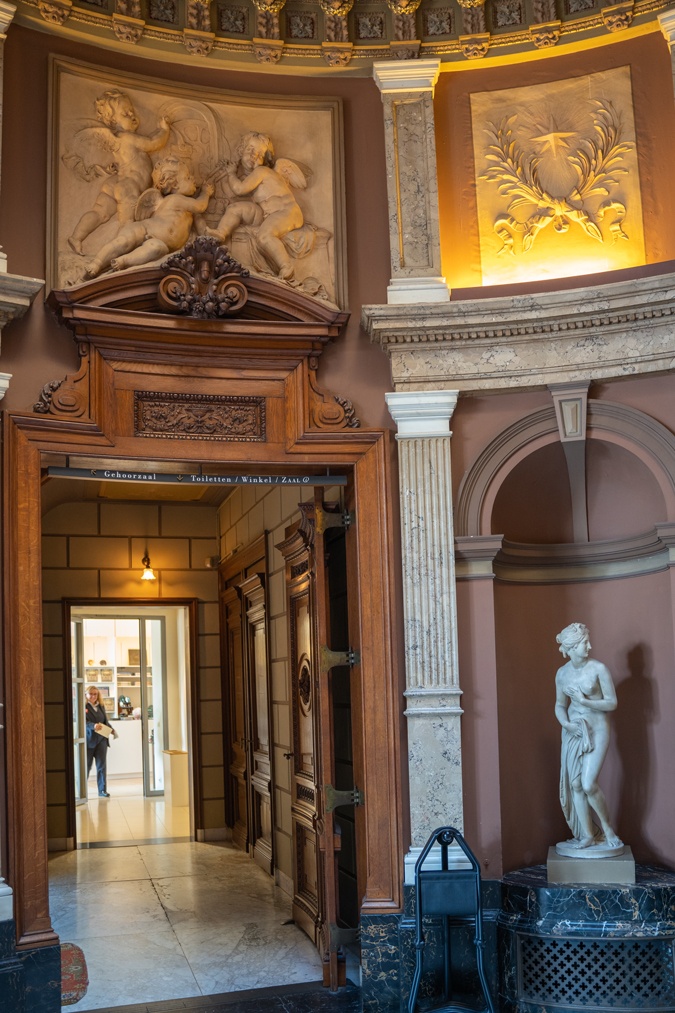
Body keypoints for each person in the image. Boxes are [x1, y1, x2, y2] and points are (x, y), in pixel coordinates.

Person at [67, 89, 171, 255]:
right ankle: (122, 251)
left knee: (100, 212)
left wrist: (112, 169)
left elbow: (122, 161)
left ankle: (76, 237)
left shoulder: (118, 140)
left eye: (132, 111)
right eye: (125, 113)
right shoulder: (127, 137)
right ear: (112, 121)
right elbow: (152, 143)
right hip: (129, 186)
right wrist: (164, 131)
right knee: (128, 223)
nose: (132, 115)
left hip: (116, 182)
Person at [84, 155, 214, 277]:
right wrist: (206, 193)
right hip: (144, 228)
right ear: (174, 184)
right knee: (122, 242)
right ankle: (97, 262)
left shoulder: (188, 211)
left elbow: (200, 224)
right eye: (187, 177)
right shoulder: (176, 199)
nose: (193, 179)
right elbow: (200, 206)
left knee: (156, 249)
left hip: (161, 242)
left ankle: (125, 260)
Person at [554, 622, 622, 849]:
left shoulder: (599, 669)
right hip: (573, 731)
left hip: (597, 729)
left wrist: (584, 701)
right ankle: (587, 834)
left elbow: (612, 703)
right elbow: (559, 705)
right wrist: (565, 723)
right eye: (584, 643)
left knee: (588, 783)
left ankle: (607, 828)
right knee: (575, 784)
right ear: (571, 647)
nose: (589, 646)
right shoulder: (562, 674)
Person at [205, 132, 305, 280]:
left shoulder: (261, 171)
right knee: (235, 209)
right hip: (266, 213)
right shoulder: (250, 176)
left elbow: (239, 189)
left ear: (266, 160)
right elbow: (235, 194)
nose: (253, 155)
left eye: (259, 154)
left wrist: (231, 173)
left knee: (264, 236)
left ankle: (286, 266)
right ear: (241, 150)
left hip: (286, 212)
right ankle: (221, 232)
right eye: (250, 149)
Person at [85, 685, 117, 798]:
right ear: (86, 694)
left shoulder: (101, 706)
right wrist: (93, 726)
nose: (93, 696)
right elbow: (83, 722)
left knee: (101, 766)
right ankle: (82, 791)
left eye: (95, 694)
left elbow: (105, 721)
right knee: (86, 766)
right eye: (91, 694)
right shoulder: (83, 706)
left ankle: (102, 790)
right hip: (89, 741)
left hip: (101, 740)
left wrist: (111, 729)